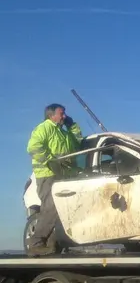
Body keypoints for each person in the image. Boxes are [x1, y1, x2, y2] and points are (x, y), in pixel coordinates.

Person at [26, 103, 83, 256]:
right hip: (47, 174)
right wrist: (50, 161)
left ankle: (50, 245)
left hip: (62, 175)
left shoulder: (63, 133)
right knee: (51, 208)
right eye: (61, 113)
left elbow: (78, 143)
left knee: (59, 210)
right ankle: (36, 243)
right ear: (51, 116)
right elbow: (33, 147)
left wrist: (73, 126)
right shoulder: (44, 128)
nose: (64, 116)